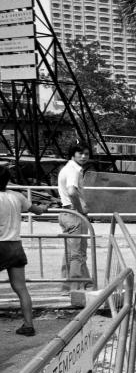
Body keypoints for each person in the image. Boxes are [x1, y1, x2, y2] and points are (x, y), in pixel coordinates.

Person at [0, 166, 49, 336]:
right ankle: (28, 325)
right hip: (15, 246)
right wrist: (44, 208)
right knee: (21, 288)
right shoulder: (17, 196)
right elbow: (37, 211)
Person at [57, 142, 91, 290]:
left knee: (69, 252)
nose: (84, 156)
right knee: (78, 254)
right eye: (80, 153)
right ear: (73, 154)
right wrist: (80, 209)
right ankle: (76, 288)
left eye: (86, 154)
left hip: (65, 213)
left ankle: (68, 286)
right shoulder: (74, 170)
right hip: (74, 214)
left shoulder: (66, 168)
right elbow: (71, 191)